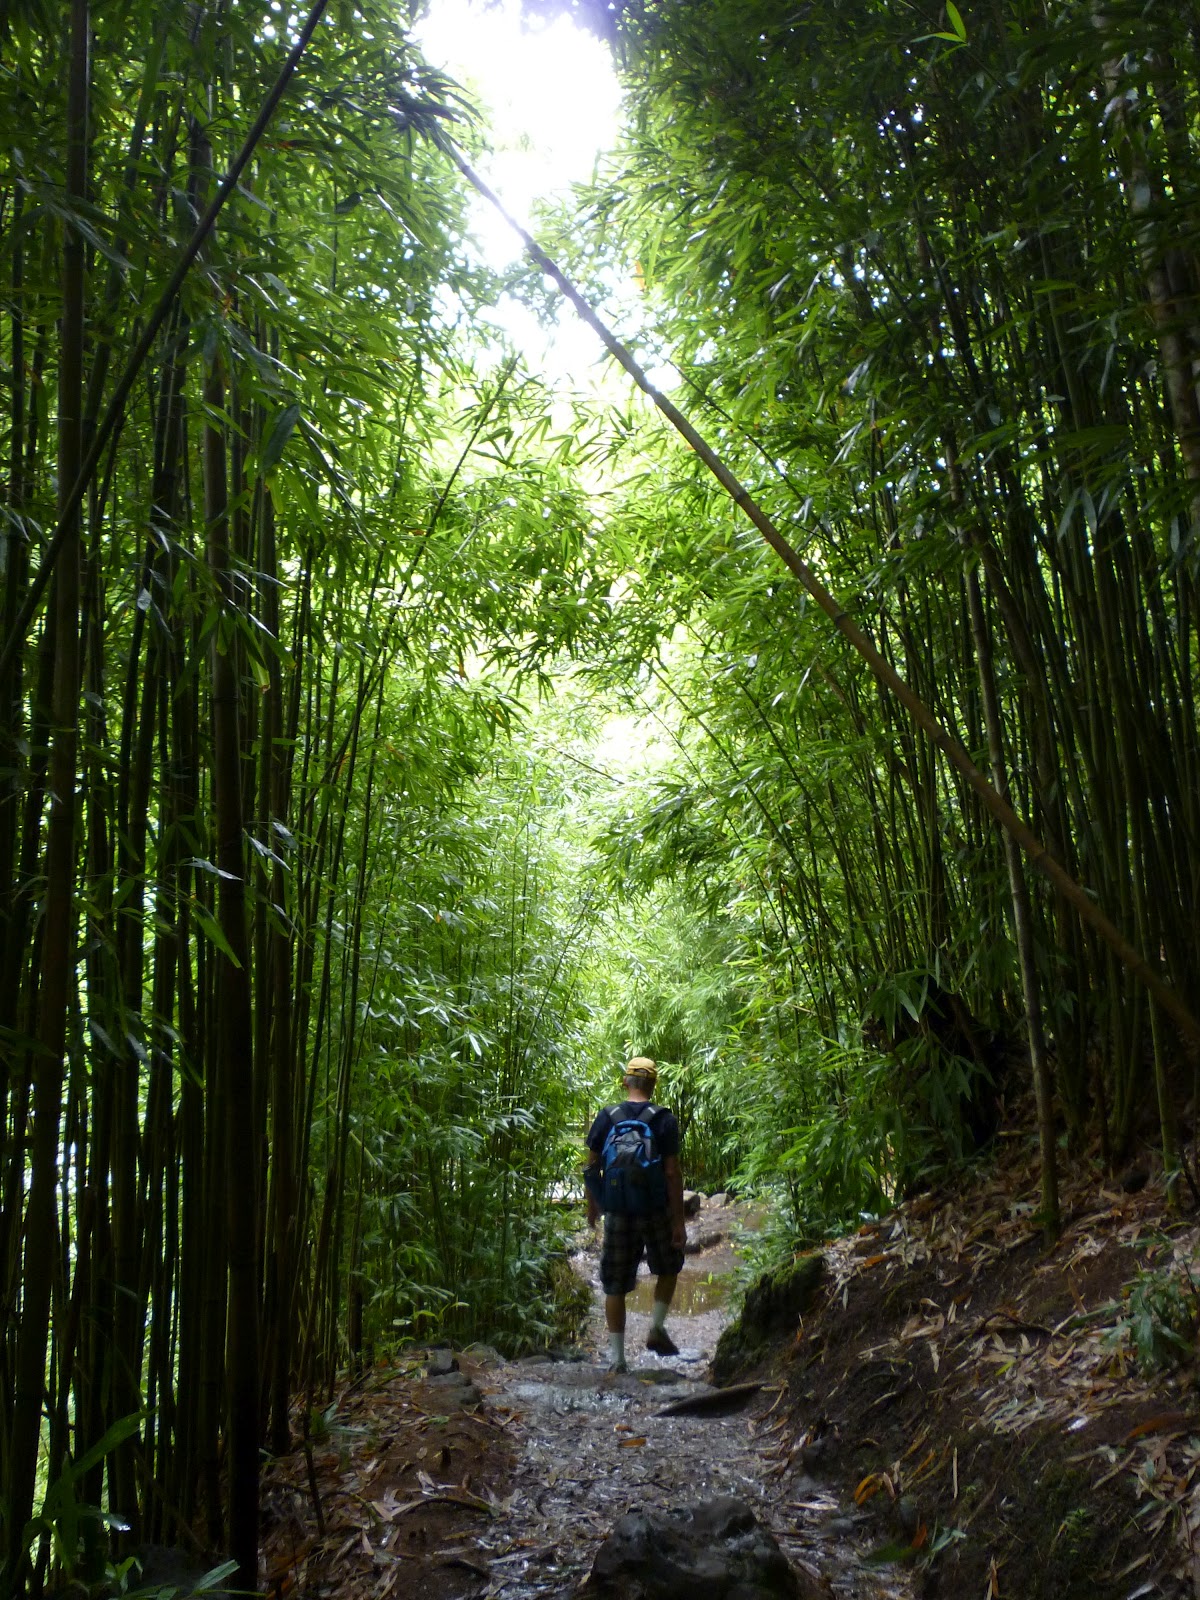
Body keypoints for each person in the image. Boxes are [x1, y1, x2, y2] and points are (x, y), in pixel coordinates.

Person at [585, 1057, 687, 1372]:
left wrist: (594, 1207)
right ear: (653, 1084)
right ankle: (656, 1327)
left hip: (617, 1211)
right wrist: (678, 1221)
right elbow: (671, 1173)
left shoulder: (606, 1117)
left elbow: (591, 1167)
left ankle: (617, 1360)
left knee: (614, 1284)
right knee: (669, 1265)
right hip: (654, 1209)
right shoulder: (664, 1120)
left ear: (626, 1082)